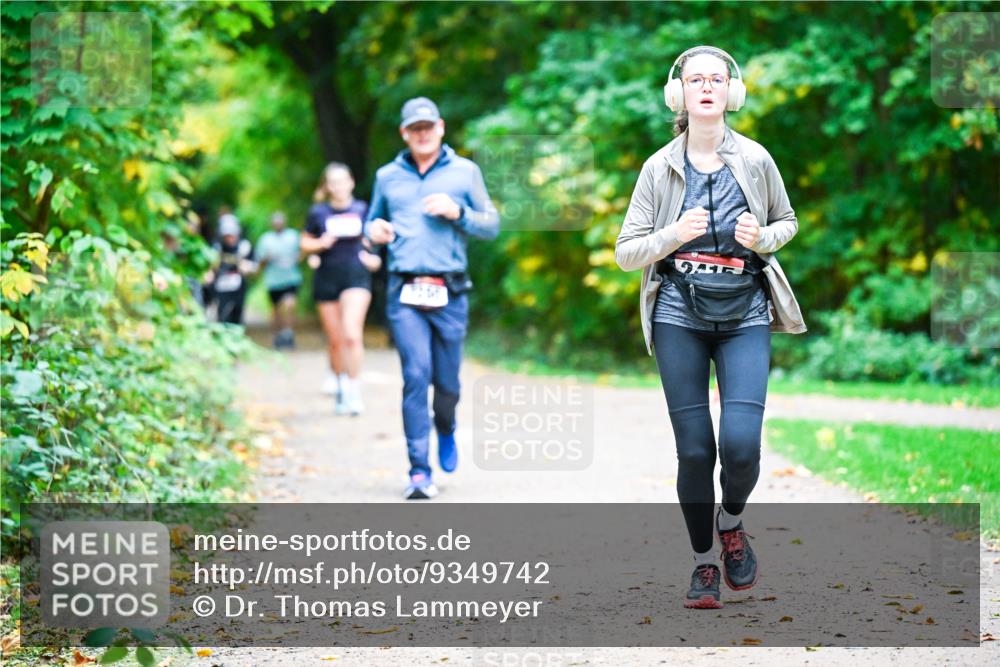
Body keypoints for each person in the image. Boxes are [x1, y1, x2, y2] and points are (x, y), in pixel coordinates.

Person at [615, 46, 807, 609]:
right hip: (679, 311)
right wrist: (673, 234)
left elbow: (787, 222)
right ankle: (703, 563)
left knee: (741, 446)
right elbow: (627, 252)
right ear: (679, 94)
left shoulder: (755, 160)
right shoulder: (659, 167)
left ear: (731, 92)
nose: (705, 87)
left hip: (745, 310)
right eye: (695, 79)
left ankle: (732, 522)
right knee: (696, 451)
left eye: (716, 79)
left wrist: (761, 238)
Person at [365, 96, 500, 500]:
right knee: (415, 375)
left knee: (447, 383)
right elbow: (370, 222)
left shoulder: (465, 172)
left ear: (440, 128)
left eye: (428, 126)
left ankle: (446, 425)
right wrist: (374, 232)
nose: (422, 134)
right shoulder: (387, 176)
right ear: (405, 133)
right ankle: (419, 471)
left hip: (450, 289)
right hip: (404, 289)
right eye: (414, 128)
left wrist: (458, 212)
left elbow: (491, 225)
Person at [301, 162, 382, 415]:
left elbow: (374, 240)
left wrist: (375, 257)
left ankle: (354, 389)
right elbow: (304, 243)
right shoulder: (318, 213)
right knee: (335, 341)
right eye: (332, 182)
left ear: (351, 183)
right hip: (327, 277)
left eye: (342, 180)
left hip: (355, 277)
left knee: (351, 335)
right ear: (327, 186)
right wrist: (319, 244)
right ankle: (340, 384)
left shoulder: (362, 209)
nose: (338, 186)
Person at [256, 211, 303, 349]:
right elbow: (260, 262)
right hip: (273, 280)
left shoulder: (293, 236)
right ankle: (276, 336)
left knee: (289, 305)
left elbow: (303, 251)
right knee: (276, 310)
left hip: (291, 278)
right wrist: (266, 259)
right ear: (272, 224)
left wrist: (299, 258)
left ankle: (288, 334)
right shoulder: (265, 239)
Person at [211, 213, 256, 326]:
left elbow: (254, 265)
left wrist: (247, 267)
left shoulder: (245, 246)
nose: (229, 238)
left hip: (239, 284)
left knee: (237, 312)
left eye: (231, 235)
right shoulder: (216, 247)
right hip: (221, 284)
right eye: (226, 235)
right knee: (223, 313)